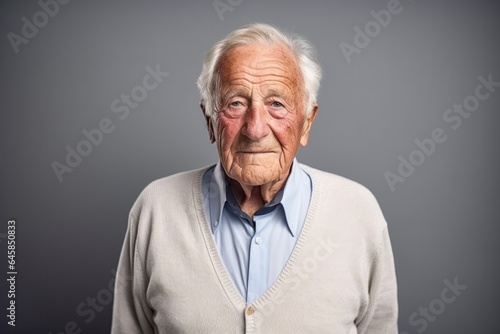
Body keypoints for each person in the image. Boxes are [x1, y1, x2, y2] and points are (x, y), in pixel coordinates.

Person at [111, 23, 398, 333]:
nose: (255, 128)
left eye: (277, 104)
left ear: (306, 123)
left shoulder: (358, 212)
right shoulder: (157, 208)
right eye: (236, 103)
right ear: (210, 121)